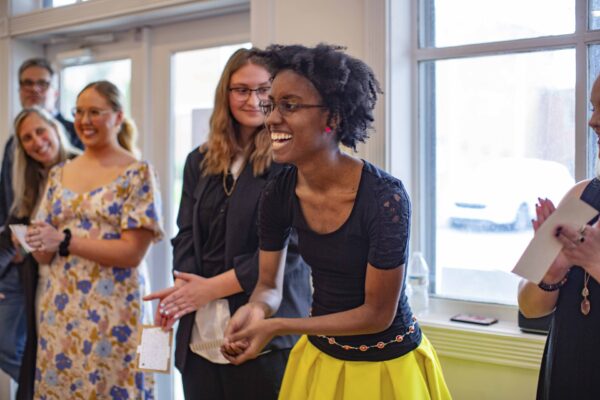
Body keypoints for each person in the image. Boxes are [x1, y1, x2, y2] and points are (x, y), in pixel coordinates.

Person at [221, 44, 451, 400]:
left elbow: (376, 315)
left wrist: (279, 324)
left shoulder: (384, 197)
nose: (271, 119)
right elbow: (268, 285)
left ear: (334, 118)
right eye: (272, 105)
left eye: (290, 106)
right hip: (321, 358)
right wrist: (256, 310)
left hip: (387, 367)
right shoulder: (280, 192)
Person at [143, 48, 311, 400]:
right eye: (241, 90)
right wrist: (186, 293)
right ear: (226, 94)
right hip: (200, 331)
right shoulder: (199, 160)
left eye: (263, 90)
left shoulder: (290, 159)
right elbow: (185, 234)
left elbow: (292, 247)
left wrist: (211, 288)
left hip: (264, 329)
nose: (253, 100)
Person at [24, 80, 163, 398]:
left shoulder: (137, 173)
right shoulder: (59, 174)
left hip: (115, 312)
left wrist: (64, 240)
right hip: (62, 311)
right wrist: (38, 241)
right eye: (79, 112)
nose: (85, 120)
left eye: (95, 112)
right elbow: (43, 251)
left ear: (117, 116)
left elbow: (132, 253)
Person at [0, 58, 83, 385]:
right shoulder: (22, 162)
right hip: (27, 263)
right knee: (19, 345)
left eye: (40, 133)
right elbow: (11, 214)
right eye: (27, 138)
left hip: (77, 271)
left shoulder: (80, 156)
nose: (36, 142)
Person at [518, 74, 600, 400]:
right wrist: (552, 272)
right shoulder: (582, 195)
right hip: (568, 370)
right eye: (594, 107)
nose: (594, 121)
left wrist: (594, 263)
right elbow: (529, 308)